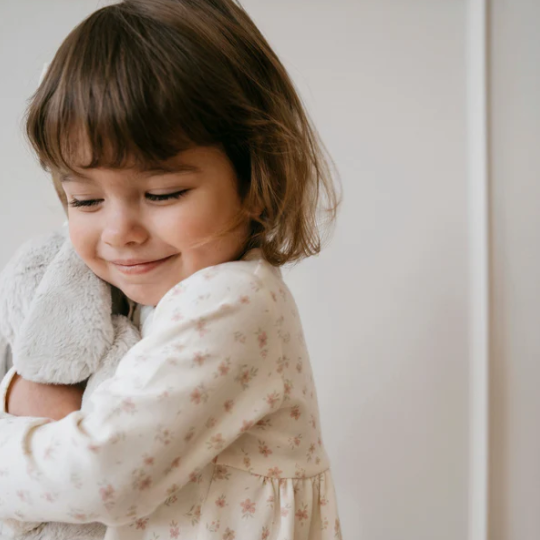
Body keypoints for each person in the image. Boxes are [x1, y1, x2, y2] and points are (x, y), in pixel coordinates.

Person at [0, 0, 343, 538]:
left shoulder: (232, 301)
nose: (119, 232)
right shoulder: (123, 298)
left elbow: (103, 473)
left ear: (257, 177)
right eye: (85, 201)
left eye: (162, 193)